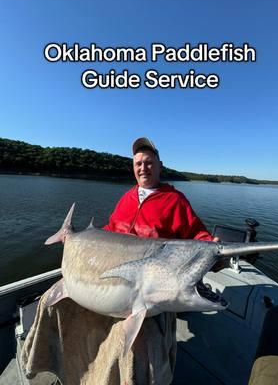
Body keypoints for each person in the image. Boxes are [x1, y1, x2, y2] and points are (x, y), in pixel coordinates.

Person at [21, 137, 219, 385]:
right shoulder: (127, 198)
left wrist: (212, 244)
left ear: (160, 165)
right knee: (49, 304)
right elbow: (109, 231)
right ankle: (54, 368)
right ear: (133, 167)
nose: (143, 168)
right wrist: (78, 241)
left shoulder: (175, 201)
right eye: (138, 163)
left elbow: (197, 235)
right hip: (110, 275)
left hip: (151, 287)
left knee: (136, 348)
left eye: (148, 162)